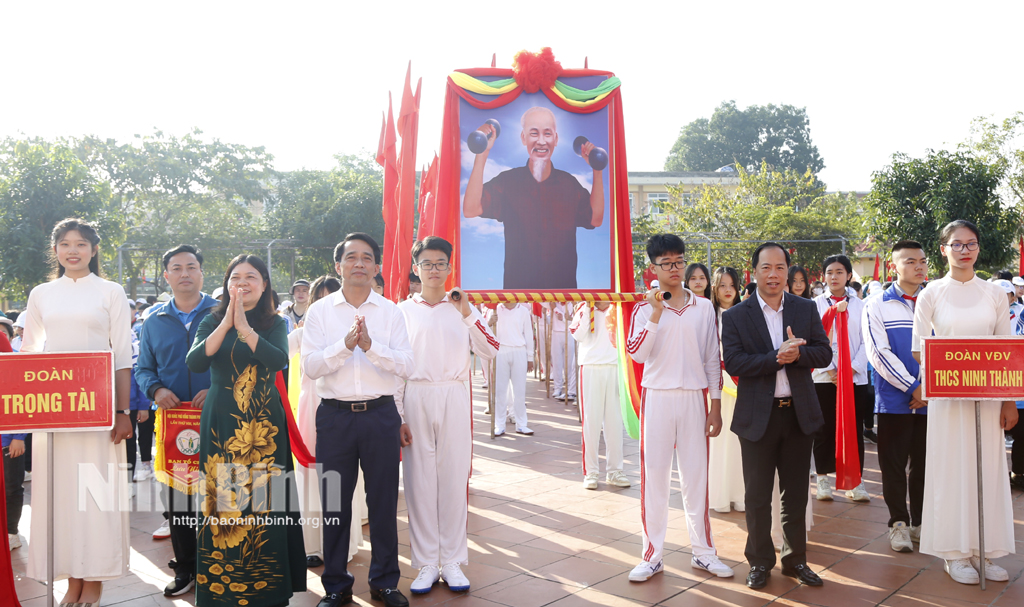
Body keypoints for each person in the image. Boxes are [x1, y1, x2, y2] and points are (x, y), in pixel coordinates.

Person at [21, 218, 134, 606]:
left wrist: (122, 410)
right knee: (60, 497)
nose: (73, 250)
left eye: (81, 244)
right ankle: (72, 577)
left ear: (94, 249)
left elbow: (122, 355)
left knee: (95, 494)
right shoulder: (41, 294)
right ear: (55, 250)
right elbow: (28, 354)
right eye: (66, 244)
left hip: (98, 412)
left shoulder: (110, 291)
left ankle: (95, 577)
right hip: (53, 412)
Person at [185, 254, 306, 606]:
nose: (242, 283)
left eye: (251, 277)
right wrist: (227, 323)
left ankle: (269, 590)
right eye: (235, 277)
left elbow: (278, 360)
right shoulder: (210, 320)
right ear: (226, 285)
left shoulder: (275, 322)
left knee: (266, 502)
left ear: (264, 284)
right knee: (224, 503)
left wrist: (245, 329)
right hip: (221, 423)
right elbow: (195, 361)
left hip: (263, 427)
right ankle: (222, 589)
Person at [301, 233, 413, 607]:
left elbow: (407, 364)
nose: (359, 263)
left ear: (377, 266)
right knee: (335, 504)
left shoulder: (391, 312)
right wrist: (345, 345)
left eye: (367, 257)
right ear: (338, 265)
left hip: (380, 414)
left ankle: (384, 582)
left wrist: (370, 346)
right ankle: (336, 584)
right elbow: (311, 366)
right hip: (335, 417)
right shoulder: (320, 312)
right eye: (351, 257)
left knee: (382, 502)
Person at [912, 219, 1018, 585]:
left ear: (978, 248)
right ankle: (954, 553)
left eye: (971, 243)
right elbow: (919, 349)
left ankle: (983, 550)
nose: (964, 250)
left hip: (988, 398)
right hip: (947, 399)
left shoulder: (993, 294)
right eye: (956, 244)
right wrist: (952, 369)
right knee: (951, 469)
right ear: (944, 249)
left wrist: (1008, 401)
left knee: (987, 468)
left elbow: (1007, 351)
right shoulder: (931, 293)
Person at [721, 242, 832, 590]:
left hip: (798, 415)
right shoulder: (736, 315)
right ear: (754, 271)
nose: (774, 274)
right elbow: (734, 362)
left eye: (780, 267)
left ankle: (795, 560)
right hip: (758, 417)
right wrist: (775, 358)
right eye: (766, 267)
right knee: (756, 496)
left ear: (788, 271)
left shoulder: (805, 307)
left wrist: (797, 356)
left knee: (795, 494)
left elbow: (824, 353)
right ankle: (759, 562)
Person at [626, 234, 733, 582]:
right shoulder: (643, 308)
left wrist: (715, 405)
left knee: (696, 478)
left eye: (679, 261)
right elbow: (636, 354)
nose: (674, 269)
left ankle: (703, 552)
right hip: (656, 397)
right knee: (654, 478)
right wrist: (656, 313)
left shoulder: (703, 307)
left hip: (693, 399)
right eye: (667, 263)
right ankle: (651, 555)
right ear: (653, 268)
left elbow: (712, 359)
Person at [398, 236, 499, 595]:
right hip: (416, 393)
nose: (434, 270)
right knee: (419, 480)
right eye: (427, 264)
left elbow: (490, 349)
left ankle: (453, 560)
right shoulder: (402, 311)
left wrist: (467, 312)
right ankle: (426, 561)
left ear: (449, 267)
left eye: (440, 263)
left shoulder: (463, 308)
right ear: (416, 269)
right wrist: (398, 414)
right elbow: (395, 368)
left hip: (454, 392)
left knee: (454, 477)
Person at [134, 244, 219, 596]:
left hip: (216, 418)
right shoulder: (153, 320)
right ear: (166, 276)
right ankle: (186, 568)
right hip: (173, 424)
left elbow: (238, 362)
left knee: (218, 495)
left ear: (201, 272)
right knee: (179, 499)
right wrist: (155, 390)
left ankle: (219, 566)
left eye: (191, 266)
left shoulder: (221, 313)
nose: (185, 273)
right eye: (177, 268)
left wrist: (216, 388)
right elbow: (143, 369)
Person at [463, 106, 605, 289]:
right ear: (524, 138)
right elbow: (471, 209)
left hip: (562, 297)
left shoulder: (569, 184)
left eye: (547, 133)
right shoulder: (508, 182)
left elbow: (595, 219)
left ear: (556, 139)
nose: (541, 141)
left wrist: (597, 170)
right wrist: (482, 154)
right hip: (518, 297)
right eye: (534, 133)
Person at [289, 275, 366, 570]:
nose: (324, 303)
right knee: (310, 476)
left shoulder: (358, 334)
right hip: (311, 410)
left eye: (330, 297)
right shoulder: (303, 334)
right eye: (318, 298)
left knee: (342, 478)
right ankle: (311, 545)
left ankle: (344, 545)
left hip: (344, 412)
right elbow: (274, 354)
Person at [863, 240, 928, 554]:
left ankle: (920, 524)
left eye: (922, 261)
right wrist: (913, 386)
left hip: (931, 401)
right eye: (910, 261)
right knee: (893, 466)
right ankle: (898, 524)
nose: (918, 267)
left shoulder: (934, 301)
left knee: (925, 467)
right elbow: (878, 353)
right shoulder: (877, 304)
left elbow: (944, 348)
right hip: (894, 402)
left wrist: (927, 388)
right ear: (894, 266)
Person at [811, 255, 872, 503]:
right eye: (829, 272)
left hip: (854, 378)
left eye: (839, 272)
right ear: (824, 276)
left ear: (848, 275)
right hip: (824, 377)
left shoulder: (861, 306)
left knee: (853, 429)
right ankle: (823, 479)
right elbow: (813, 339)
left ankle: (855, 481)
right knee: (823, 429)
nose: (834, 276)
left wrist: (850, 369)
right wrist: (831, 369)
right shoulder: (815, 305)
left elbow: (868, 341)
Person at [570, 300, 630, 490]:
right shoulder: (583, 308)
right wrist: (588, 307)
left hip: (614, 366)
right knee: (591, 422)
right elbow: (578, 335)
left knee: (614, 423)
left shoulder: (617, 308)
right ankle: (591, 472)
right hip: (591, 366)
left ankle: (615, 471)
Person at [708, 266, 745, 513]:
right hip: (715, 385)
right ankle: (719, 495)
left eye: (732, 285)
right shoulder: (707, 315)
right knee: (719, 441)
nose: (728, 290)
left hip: (742, 383)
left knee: (740, 442)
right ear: (715, 288)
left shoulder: (746, 314)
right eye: (722, 285)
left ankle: (741, 494)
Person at [493, 301, 535, 436]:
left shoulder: (523, 310)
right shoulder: (496, 309)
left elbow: (529, 334)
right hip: (501, 350)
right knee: (500, 391)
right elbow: (486, 330)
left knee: (519, 391)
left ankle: (521, 424)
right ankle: (499, 425)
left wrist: (530, 357)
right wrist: (490, 322)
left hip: (519, 350)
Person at [1, 328, 26, 551]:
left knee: (11, 488)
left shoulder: (14, 369)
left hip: (9, 441)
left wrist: (19, 436)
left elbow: (24, 400)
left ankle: (11, 533)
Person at [550, 302, 577, 401]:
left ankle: (570, 388)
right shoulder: (554, 302)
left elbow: (572, 321)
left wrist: (556, 310)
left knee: (569, 363)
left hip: (569, 333)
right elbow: (541, 302)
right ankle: (557, 387)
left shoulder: (572, 304)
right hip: (556, 333)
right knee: (557, 362)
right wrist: (554, 307)